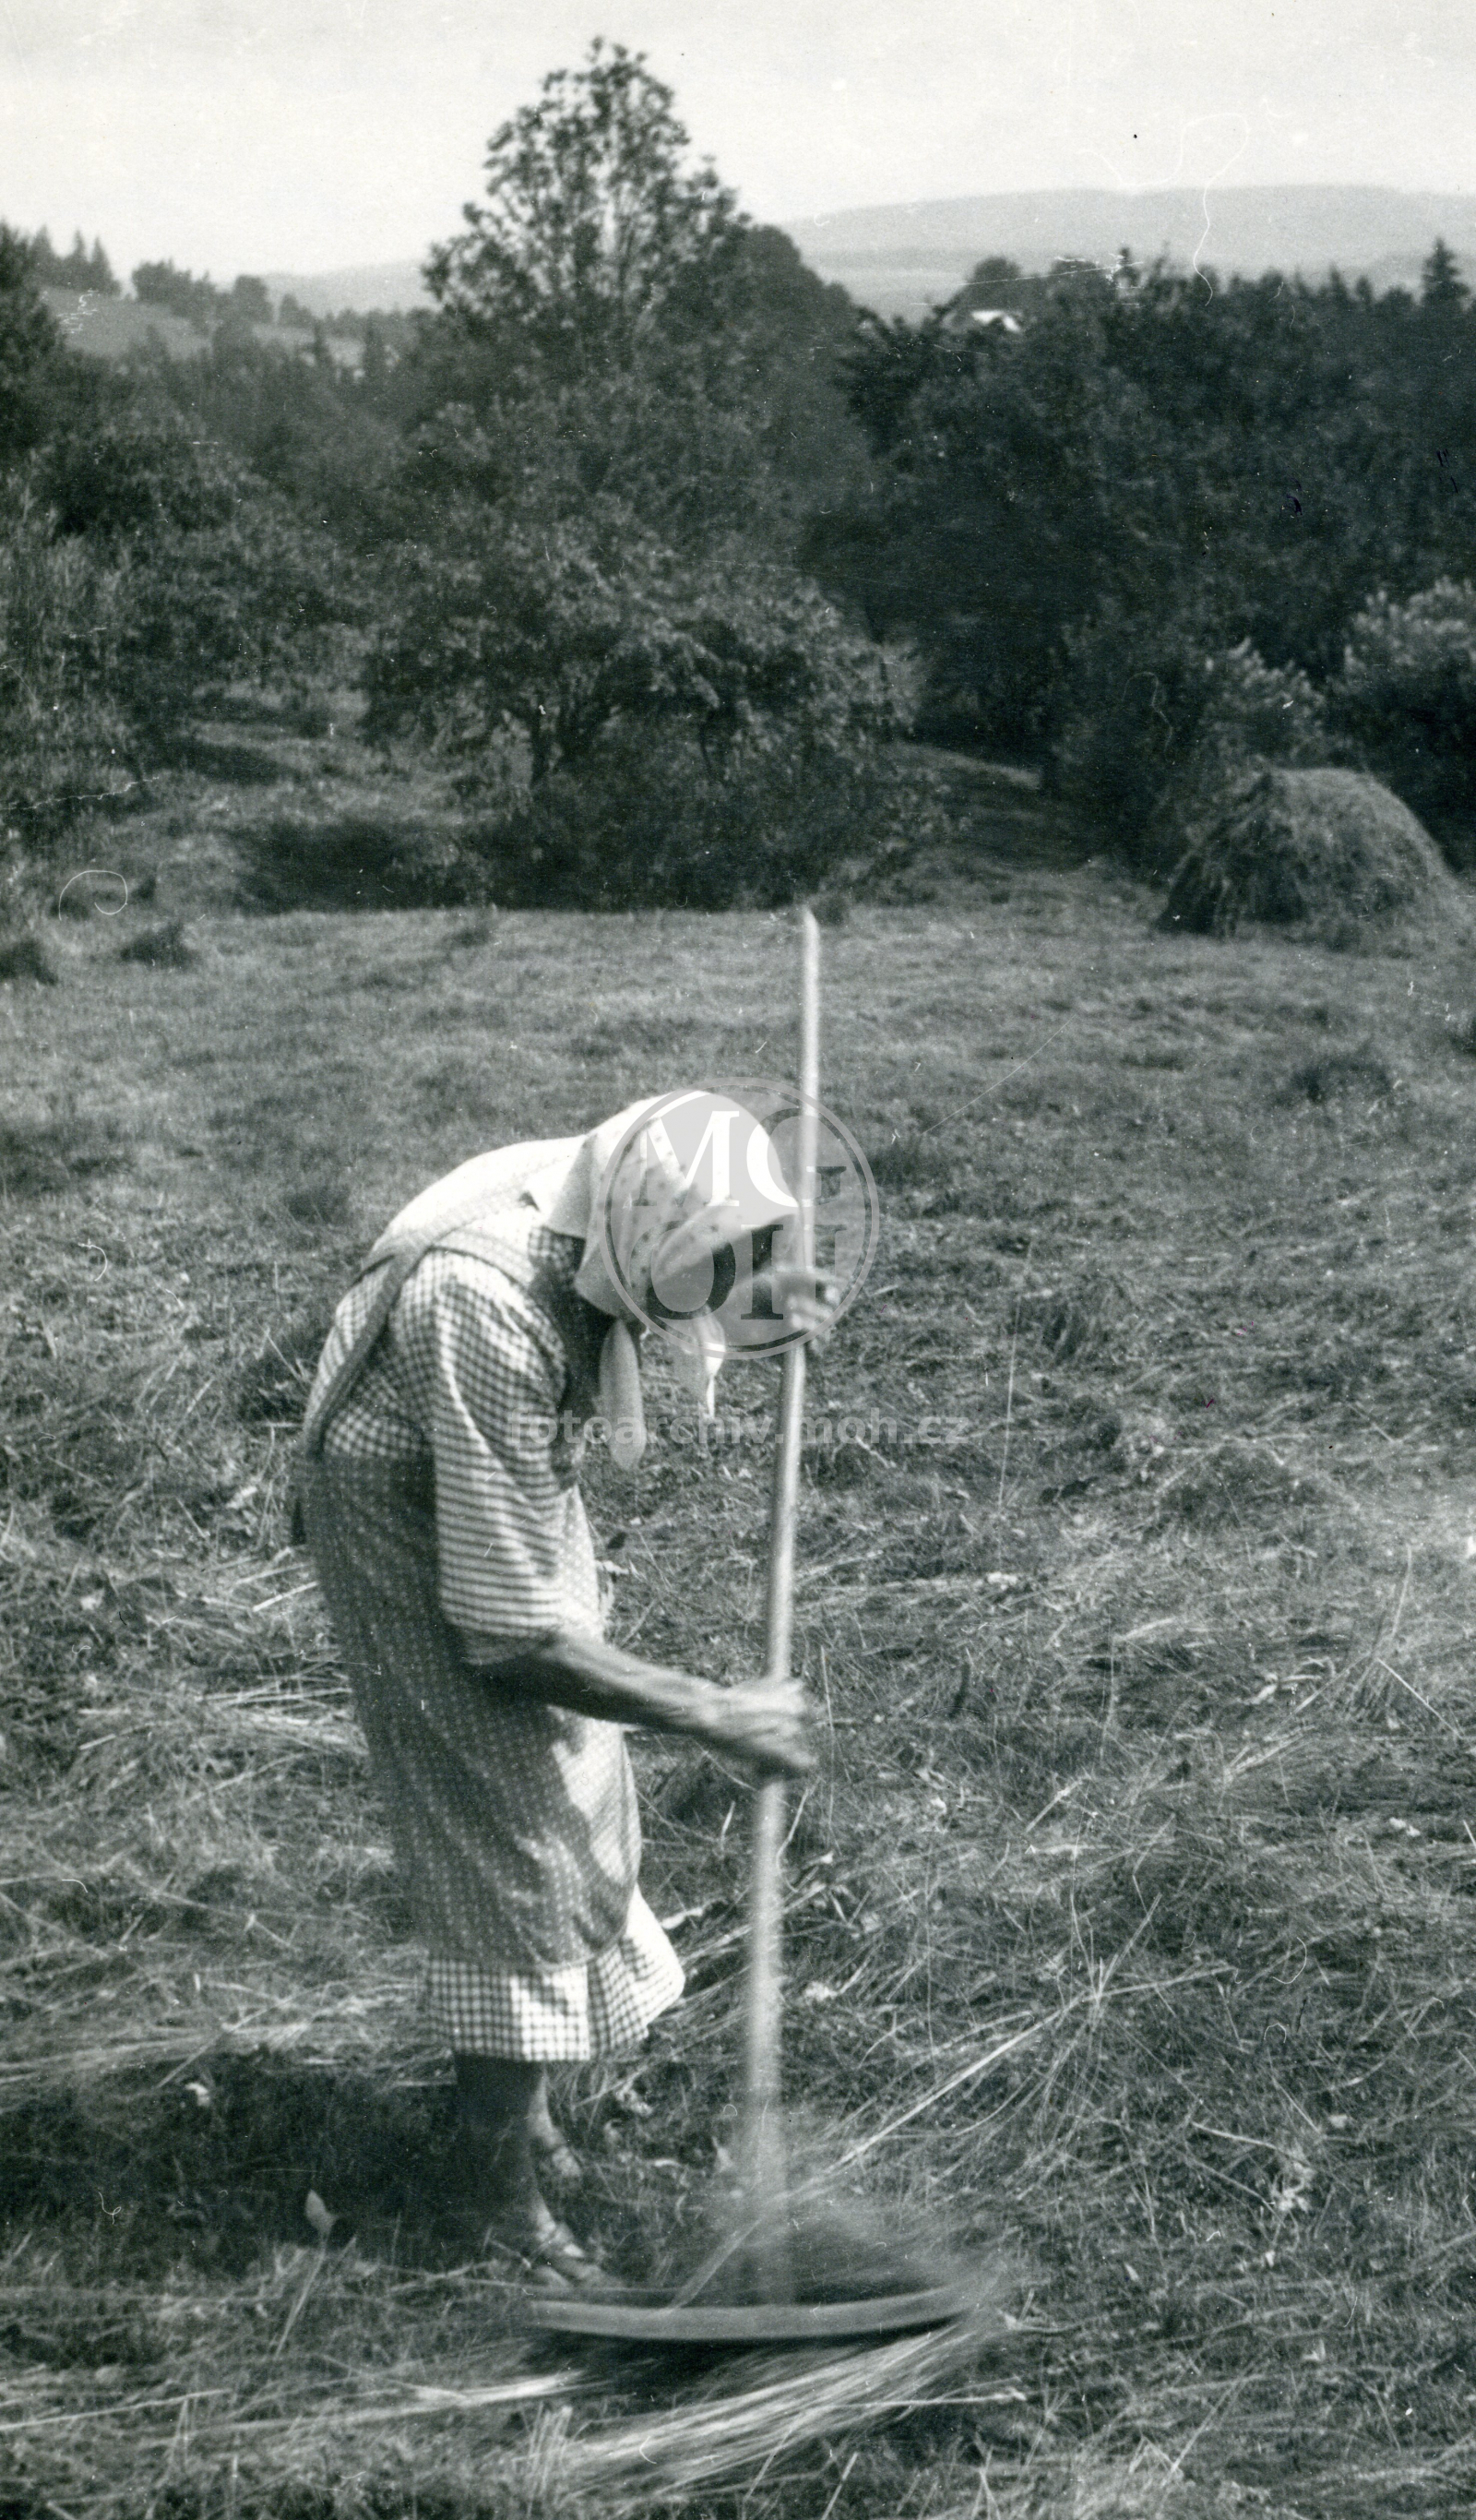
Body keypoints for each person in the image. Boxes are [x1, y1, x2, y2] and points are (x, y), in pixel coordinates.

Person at [297, 1093, 830, 2285]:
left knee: (575, 1774)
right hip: (394, 1493)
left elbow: (667, 1280)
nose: (723, 1281)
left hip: (484, 1440)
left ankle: (523, 2109)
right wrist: (710, 1711)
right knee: (514, 1844)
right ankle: (492, 2194)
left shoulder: (634, 1174)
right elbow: (508, 1636)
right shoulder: (487, 1307)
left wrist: (759, 1302)